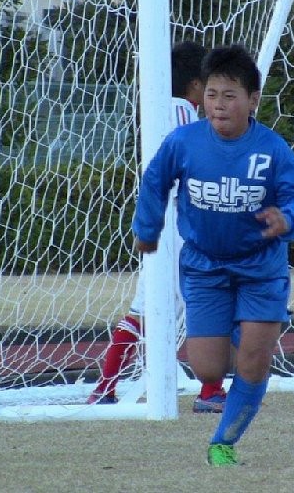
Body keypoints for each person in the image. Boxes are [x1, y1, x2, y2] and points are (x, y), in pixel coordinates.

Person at [132, 44, 294, 466]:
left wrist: (287, 219)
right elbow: (155, 180)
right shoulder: (185, 142)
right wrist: (147, 228)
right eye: (212, 94)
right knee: (208, 369)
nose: (218, 105)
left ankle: (224, 442)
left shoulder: (272, 149)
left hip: (261, 269)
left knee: (253, 360)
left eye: (230, 96)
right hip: (204, 267)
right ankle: (242, 333)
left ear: (253, 100)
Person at [87, 41, 228, 413]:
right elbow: (188, 165)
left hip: (161, 218)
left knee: (147, 308)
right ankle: (211, 390)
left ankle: (104, 387)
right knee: (206, 300)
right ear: (196, 85)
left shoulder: (159, 109)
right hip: (181, 222)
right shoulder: (182, 112)